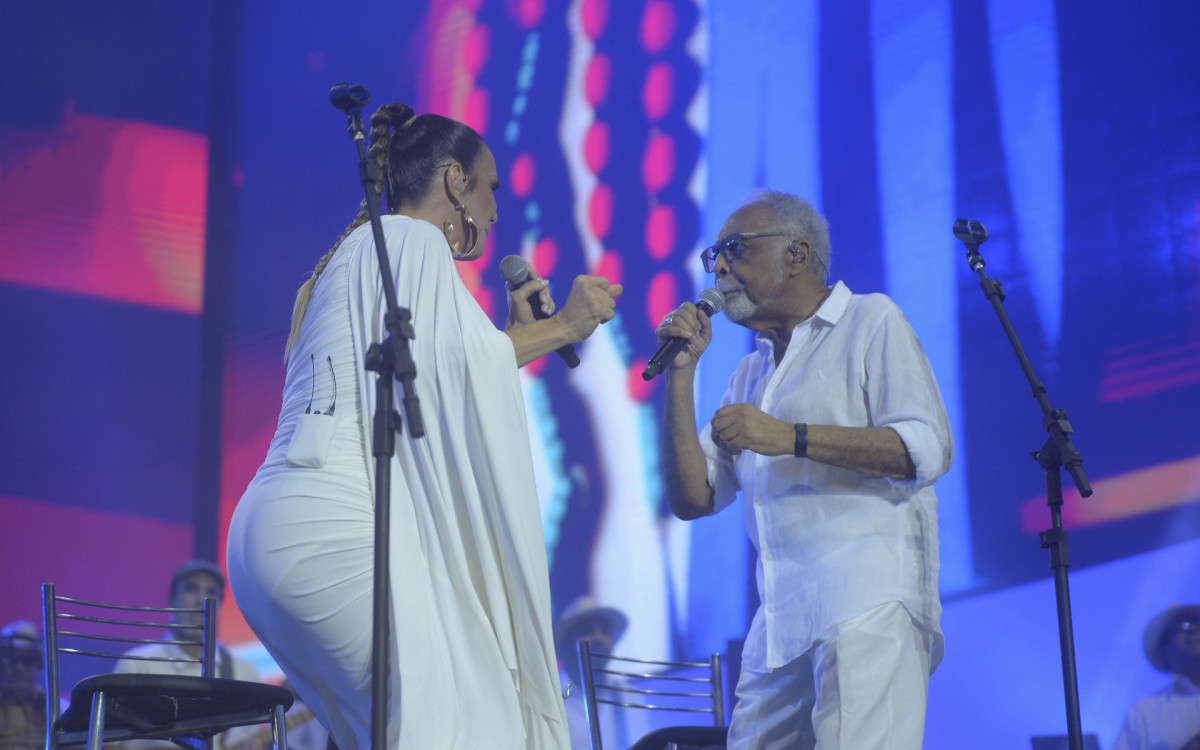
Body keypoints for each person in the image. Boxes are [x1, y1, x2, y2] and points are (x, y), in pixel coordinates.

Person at [226, 102, 621, 750]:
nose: (496, 207)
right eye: (490, 186)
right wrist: (567, 327)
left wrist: (515, 339)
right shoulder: (409, 241)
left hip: (273, 535)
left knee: (406, 728)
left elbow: (435, 372)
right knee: (470, 719)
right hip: (331, 528)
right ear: (453, 182)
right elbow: (450, 368)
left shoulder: (357, 256)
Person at [656, 190, 952, 750]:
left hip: (866, 602)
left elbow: (924, 449)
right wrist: (680, 376)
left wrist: (787, 437)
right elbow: (694, 498)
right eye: (712, 255)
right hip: (779, 624)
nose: (718, 266)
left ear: (796, 254)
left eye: (734, 249)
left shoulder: (871, 320)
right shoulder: (750, 372)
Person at [114, 560, 260, 750]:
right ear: (172, 599)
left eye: (211, 592)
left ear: (221, 605)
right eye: (191, 589)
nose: (201, 598)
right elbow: (110, 743)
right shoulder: (136, 664)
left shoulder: (245, 672)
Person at [1112, 604, 1200, 750]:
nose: (1194, 629)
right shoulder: (1143, 714)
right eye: (1183, 626)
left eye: (1198, 623)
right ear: (1164, 649)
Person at [554, 596, 633, 750]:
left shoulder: (628, 695)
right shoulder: (549, 699)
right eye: (586, 631)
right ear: (566, 644)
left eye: (605, 631)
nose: (598, 638)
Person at [0, 620, 45, 750]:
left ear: (39, 664)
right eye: (11, 659)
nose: (19, 667)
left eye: (27, 660)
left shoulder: (57, 709)